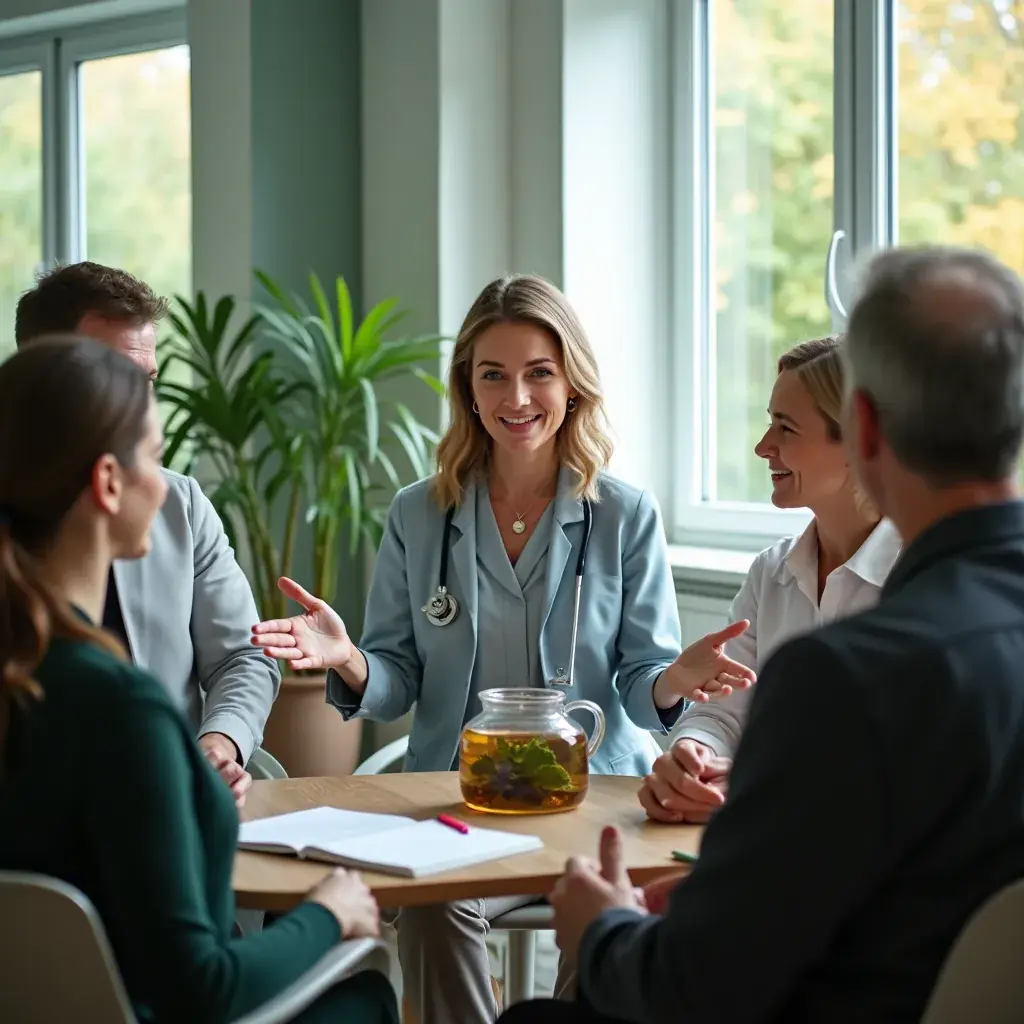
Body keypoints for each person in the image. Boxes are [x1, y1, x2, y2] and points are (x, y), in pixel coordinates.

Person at [498, 244, 1024, 1024]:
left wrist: (601, 929)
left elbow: (693, 991)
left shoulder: (846, 675)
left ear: (864, 428)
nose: (763, 447)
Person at [251, 273, 754, 1024]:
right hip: (462, 804)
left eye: (538, 373)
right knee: (433, 906)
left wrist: (675, 676)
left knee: (609, 922)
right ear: (468, 387)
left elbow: (642, 680)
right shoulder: (420, 514)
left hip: (592, 802)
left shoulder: (624, 514)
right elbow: (397, 678)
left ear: (572, 383)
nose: (516, 397)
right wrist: (350, 658)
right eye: (493, 375)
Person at [0, 335, 397, 1024]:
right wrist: (329, 913)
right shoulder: (122, 709)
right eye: (154, 455)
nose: (166, 483)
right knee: (367, 994)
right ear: (108, 482)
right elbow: (201, 989)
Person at [15, 262, 279, 803]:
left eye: (148, 383)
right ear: (43, 376)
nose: (141, 409)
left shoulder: (180, 502)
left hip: (171, 789)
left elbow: (244, 656)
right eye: (116, 378)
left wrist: (218, 744)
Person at [639, 336, 901, 833]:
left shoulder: (922, 581)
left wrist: (757, 786)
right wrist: (691, 759)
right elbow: (722, 715)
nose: (763, 446)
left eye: (786, 427)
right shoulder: (771, 572)